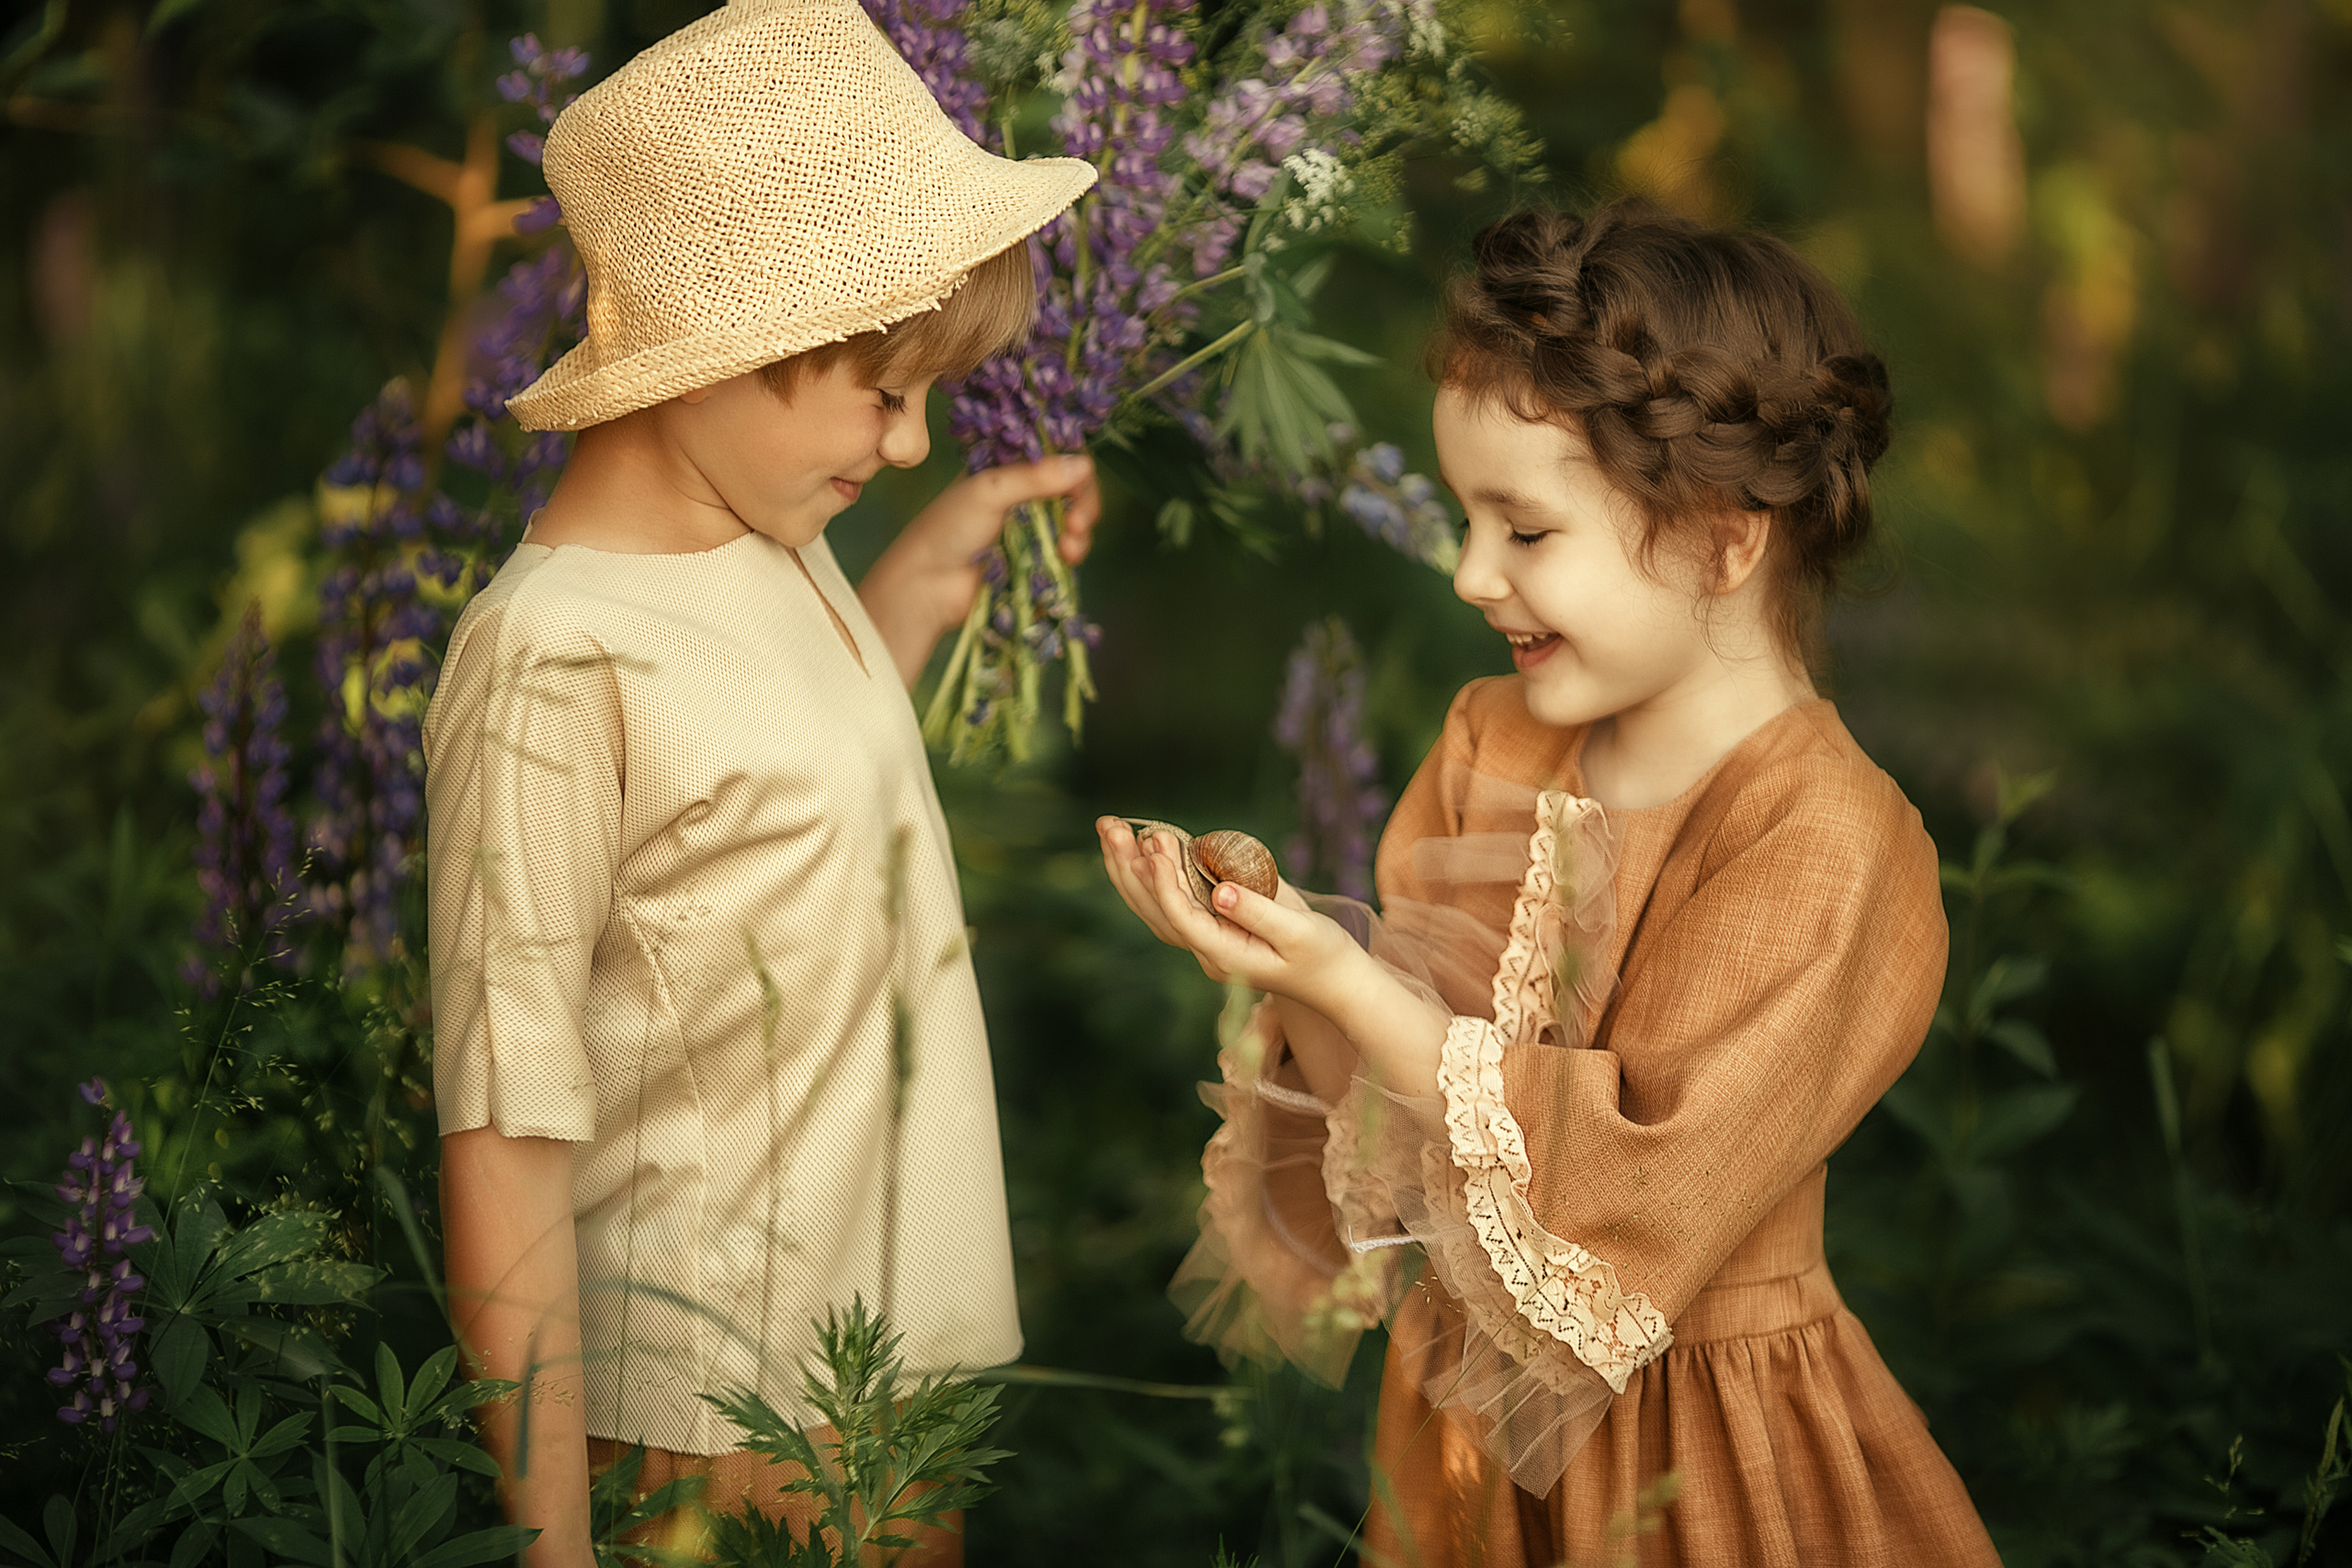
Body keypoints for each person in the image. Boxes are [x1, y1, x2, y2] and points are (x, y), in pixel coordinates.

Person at [1098, 201, 2003, 1567]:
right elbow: (1416, 1148)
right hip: (1471, 1450)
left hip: (1694, 1457)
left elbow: (1624, 1195)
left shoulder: (1827, 841)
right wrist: (1289, 971)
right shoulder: (1496, 744)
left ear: (1721, 536)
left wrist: (1344, 975)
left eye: (1524, 530)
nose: (1470, 574)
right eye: (1467, 518)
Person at [423, 3, 1098, 1562]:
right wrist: (553, 1546)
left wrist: (957, 547)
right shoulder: (557, 658)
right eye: (885, 390)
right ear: (716, 356)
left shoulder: (764, 547)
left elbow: (798, 765)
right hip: (721, 1428)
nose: (914, 441)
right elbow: (505, 1126)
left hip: (881, 1389)